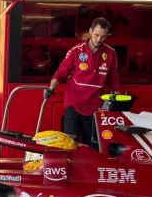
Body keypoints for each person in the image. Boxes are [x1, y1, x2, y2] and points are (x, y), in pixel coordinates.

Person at [45, 17, 120, 145]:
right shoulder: (76, 50)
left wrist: (116, 97)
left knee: (92, 146)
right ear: (90, 31)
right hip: (74, 105)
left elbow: (113, 78)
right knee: (69, 144)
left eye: (103, 36)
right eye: (96, 35)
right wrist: (51, 88)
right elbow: (62, 72)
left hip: (96, 108)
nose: (98, 39)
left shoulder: (111, 53)